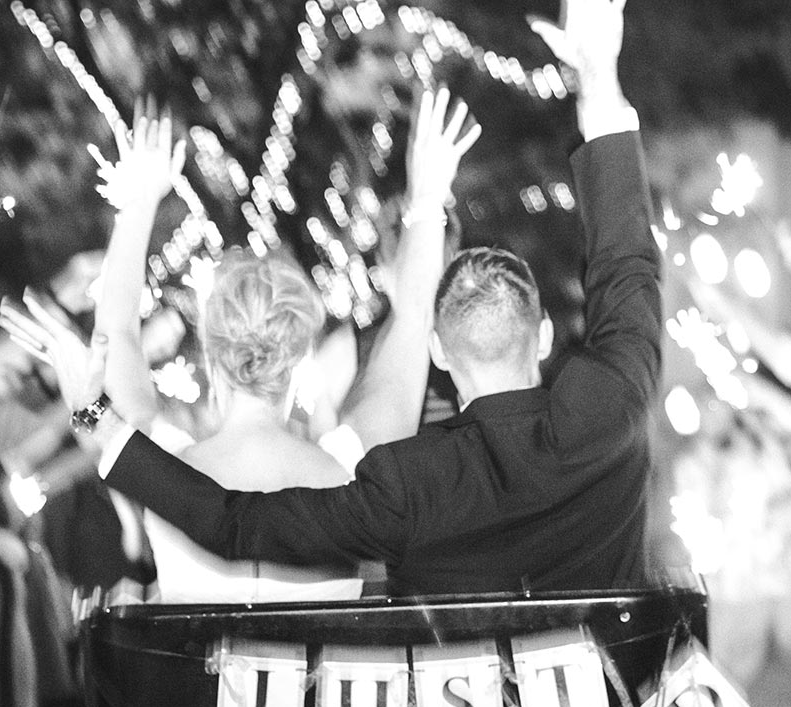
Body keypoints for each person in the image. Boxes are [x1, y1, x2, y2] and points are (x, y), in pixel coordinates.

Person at [27, 0, 658, 599]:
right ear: (540, 335)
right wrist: (595, 78)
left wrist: (94, 411)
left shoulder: (404, 483)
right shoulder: (610, 406)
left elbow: (225, 518)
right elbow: (423, 316)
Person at [61, 89, 478, 602]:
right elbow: (414, 318)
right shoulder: (352, 471)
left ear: (212, 356)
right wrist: (428, 197)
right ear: (298, 359)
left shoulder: (157, 465)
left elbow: (116, 333)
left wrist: (140, 202)